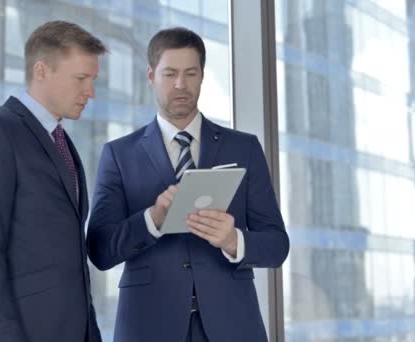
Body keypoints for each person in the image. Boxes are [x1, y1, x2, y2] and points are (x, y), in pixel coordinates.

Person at [86, 27, 289, 342]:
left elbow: (277, 245)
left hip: (233, 325)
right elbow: (99, 249)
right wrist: (152, 220)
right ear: (151, 76)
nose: (180, 84)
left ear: (202, 76)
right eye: (170, 74)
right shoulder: (119, 155)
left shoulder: (243, 148)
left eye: (190, 73)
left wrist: (234, 241)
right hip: (148, 325)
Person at [0, 20, 107, 342]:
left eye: (93, 80)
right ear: (41, 71)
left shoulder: (64, 144)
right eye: (81, 78)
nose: (90, 92)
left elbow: (72, 263)